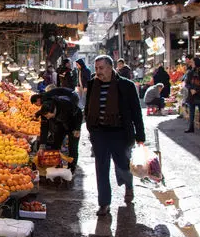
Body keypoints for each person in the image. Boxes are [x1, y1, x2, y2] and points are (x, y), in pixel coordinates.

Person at [85, 55, 145, 216]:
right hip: (100, 133)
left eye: (101, 68)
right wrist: (91, 129)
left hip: (120, 132)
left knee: (123, 165)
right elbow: (88, 108)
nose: (98, 72)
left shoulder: (126, 86)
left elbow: (136, 112)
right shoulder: (92, 84)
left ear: (111, 68)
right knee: (101, 168)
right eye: (96, 68)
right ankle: (104, 203)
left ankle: (128, 185)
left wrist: (140, 136)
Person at [36, 96, 83, 173]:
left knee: (73, 147)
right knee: (56, 144)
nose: (47, 118)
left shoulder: (66, 105)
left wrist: (77, 128)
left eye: (48, 116)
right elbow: (44, 129)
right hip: (59, 126)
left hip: (72, 125)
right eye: (45, 117)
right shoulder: (44, 113)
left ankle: (71, 168)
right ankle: (55, 164)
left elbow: (79, 114)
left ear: (53, 111)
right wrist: (42, 145)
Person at [184, 57, 200, 133]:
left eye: (192, 62)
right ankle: (191, 127)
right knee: (191, 112)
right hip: (192, 95)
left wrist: (196, 90)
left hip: (198, 94)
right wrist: (191, 89)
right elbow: (187, 83)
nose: (191, 64)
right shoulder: (190, 72)